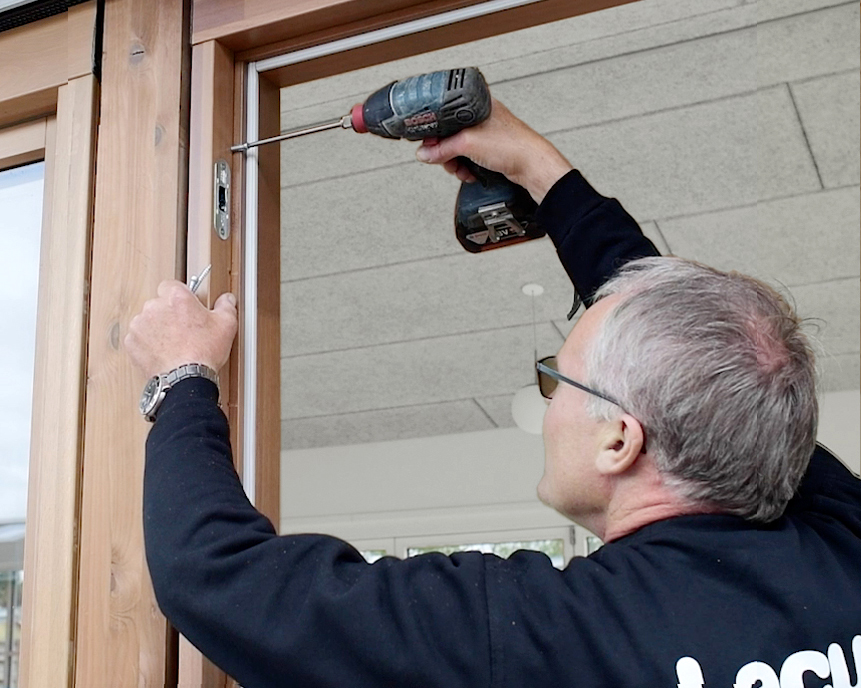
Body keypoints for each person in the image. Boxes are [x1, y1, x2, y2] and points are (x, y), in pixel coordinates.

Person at [125, 99, 861, 687]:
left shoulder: (541, 638)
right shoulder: (842, 547)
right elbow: (689, 342)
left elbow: (217, 577)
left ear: (620, 439)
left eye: (557, 376)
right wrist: (540, 171)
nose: (549, 402)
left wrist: (182, 375)